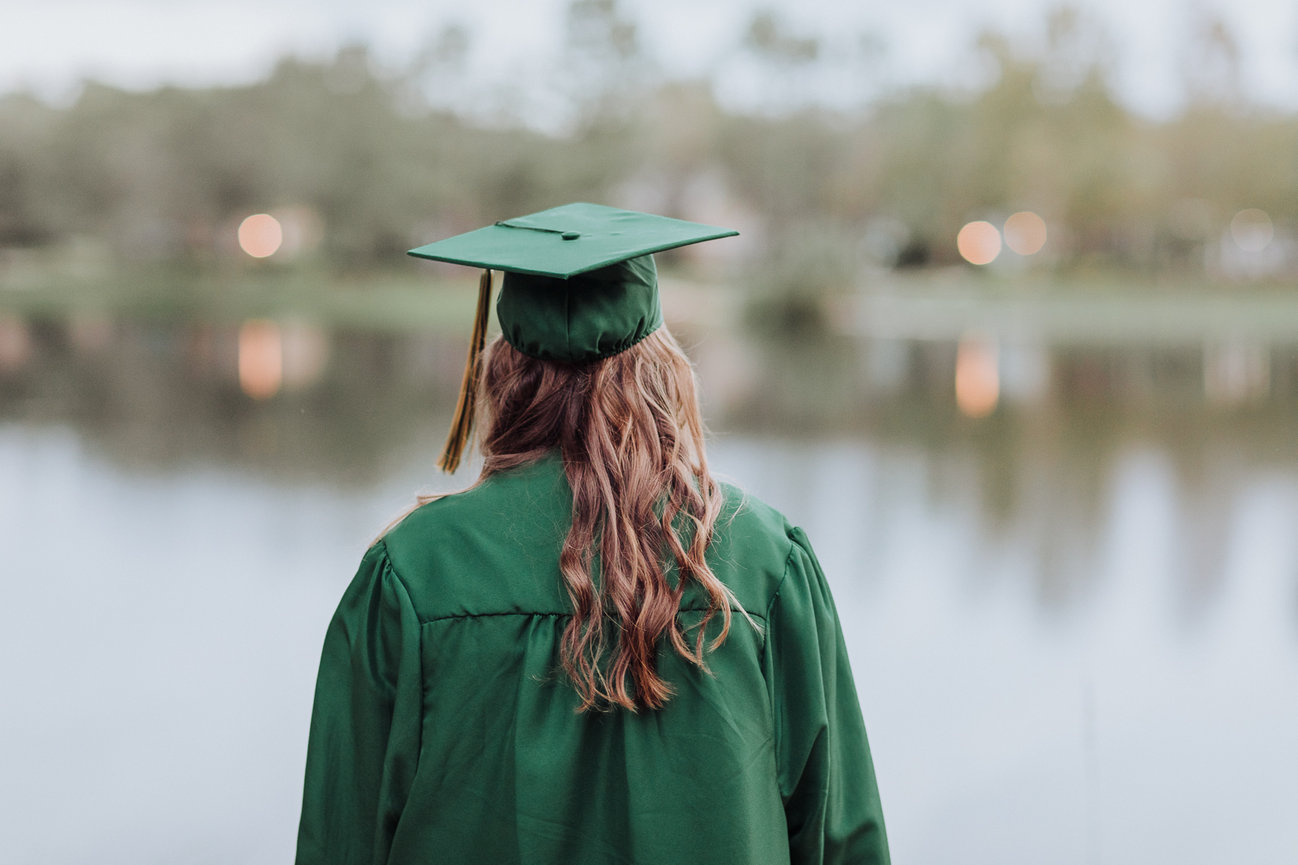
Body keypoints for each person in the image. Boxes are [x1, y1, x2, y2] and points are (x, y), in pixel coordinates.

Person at [295, 203, 889, 865]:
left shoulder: (412, 571)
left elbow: (341, 836)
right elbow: (842, 838)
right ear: (663, 367)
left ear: (502, 366)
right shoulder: (764, 561)